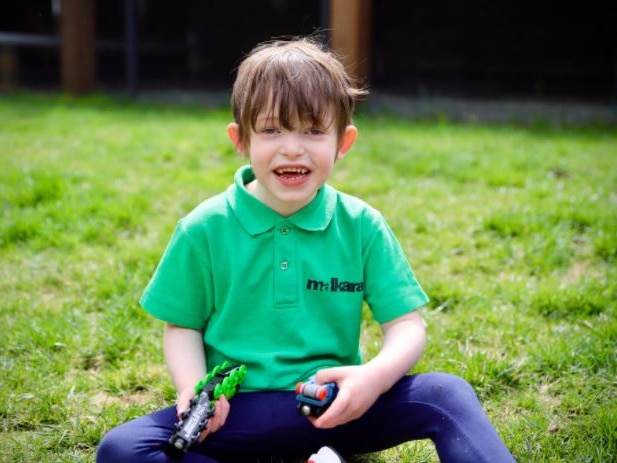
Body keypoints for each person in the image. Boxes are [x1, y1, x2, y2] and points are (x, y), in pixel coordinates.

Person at [97, 37, 516, 463]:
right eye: (271, 129)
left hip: (337, 407)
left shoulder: (361, 225)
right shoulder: (203, 228)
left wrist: (371, 378)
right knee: (122, 449)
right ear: (240, 139)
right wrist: (193, 388)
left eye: (313, 130)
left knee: (446, 394)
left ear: (344, 142)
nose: (292, 147)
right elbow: (181, 327)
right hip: (239, 414)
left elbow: (407, 325)